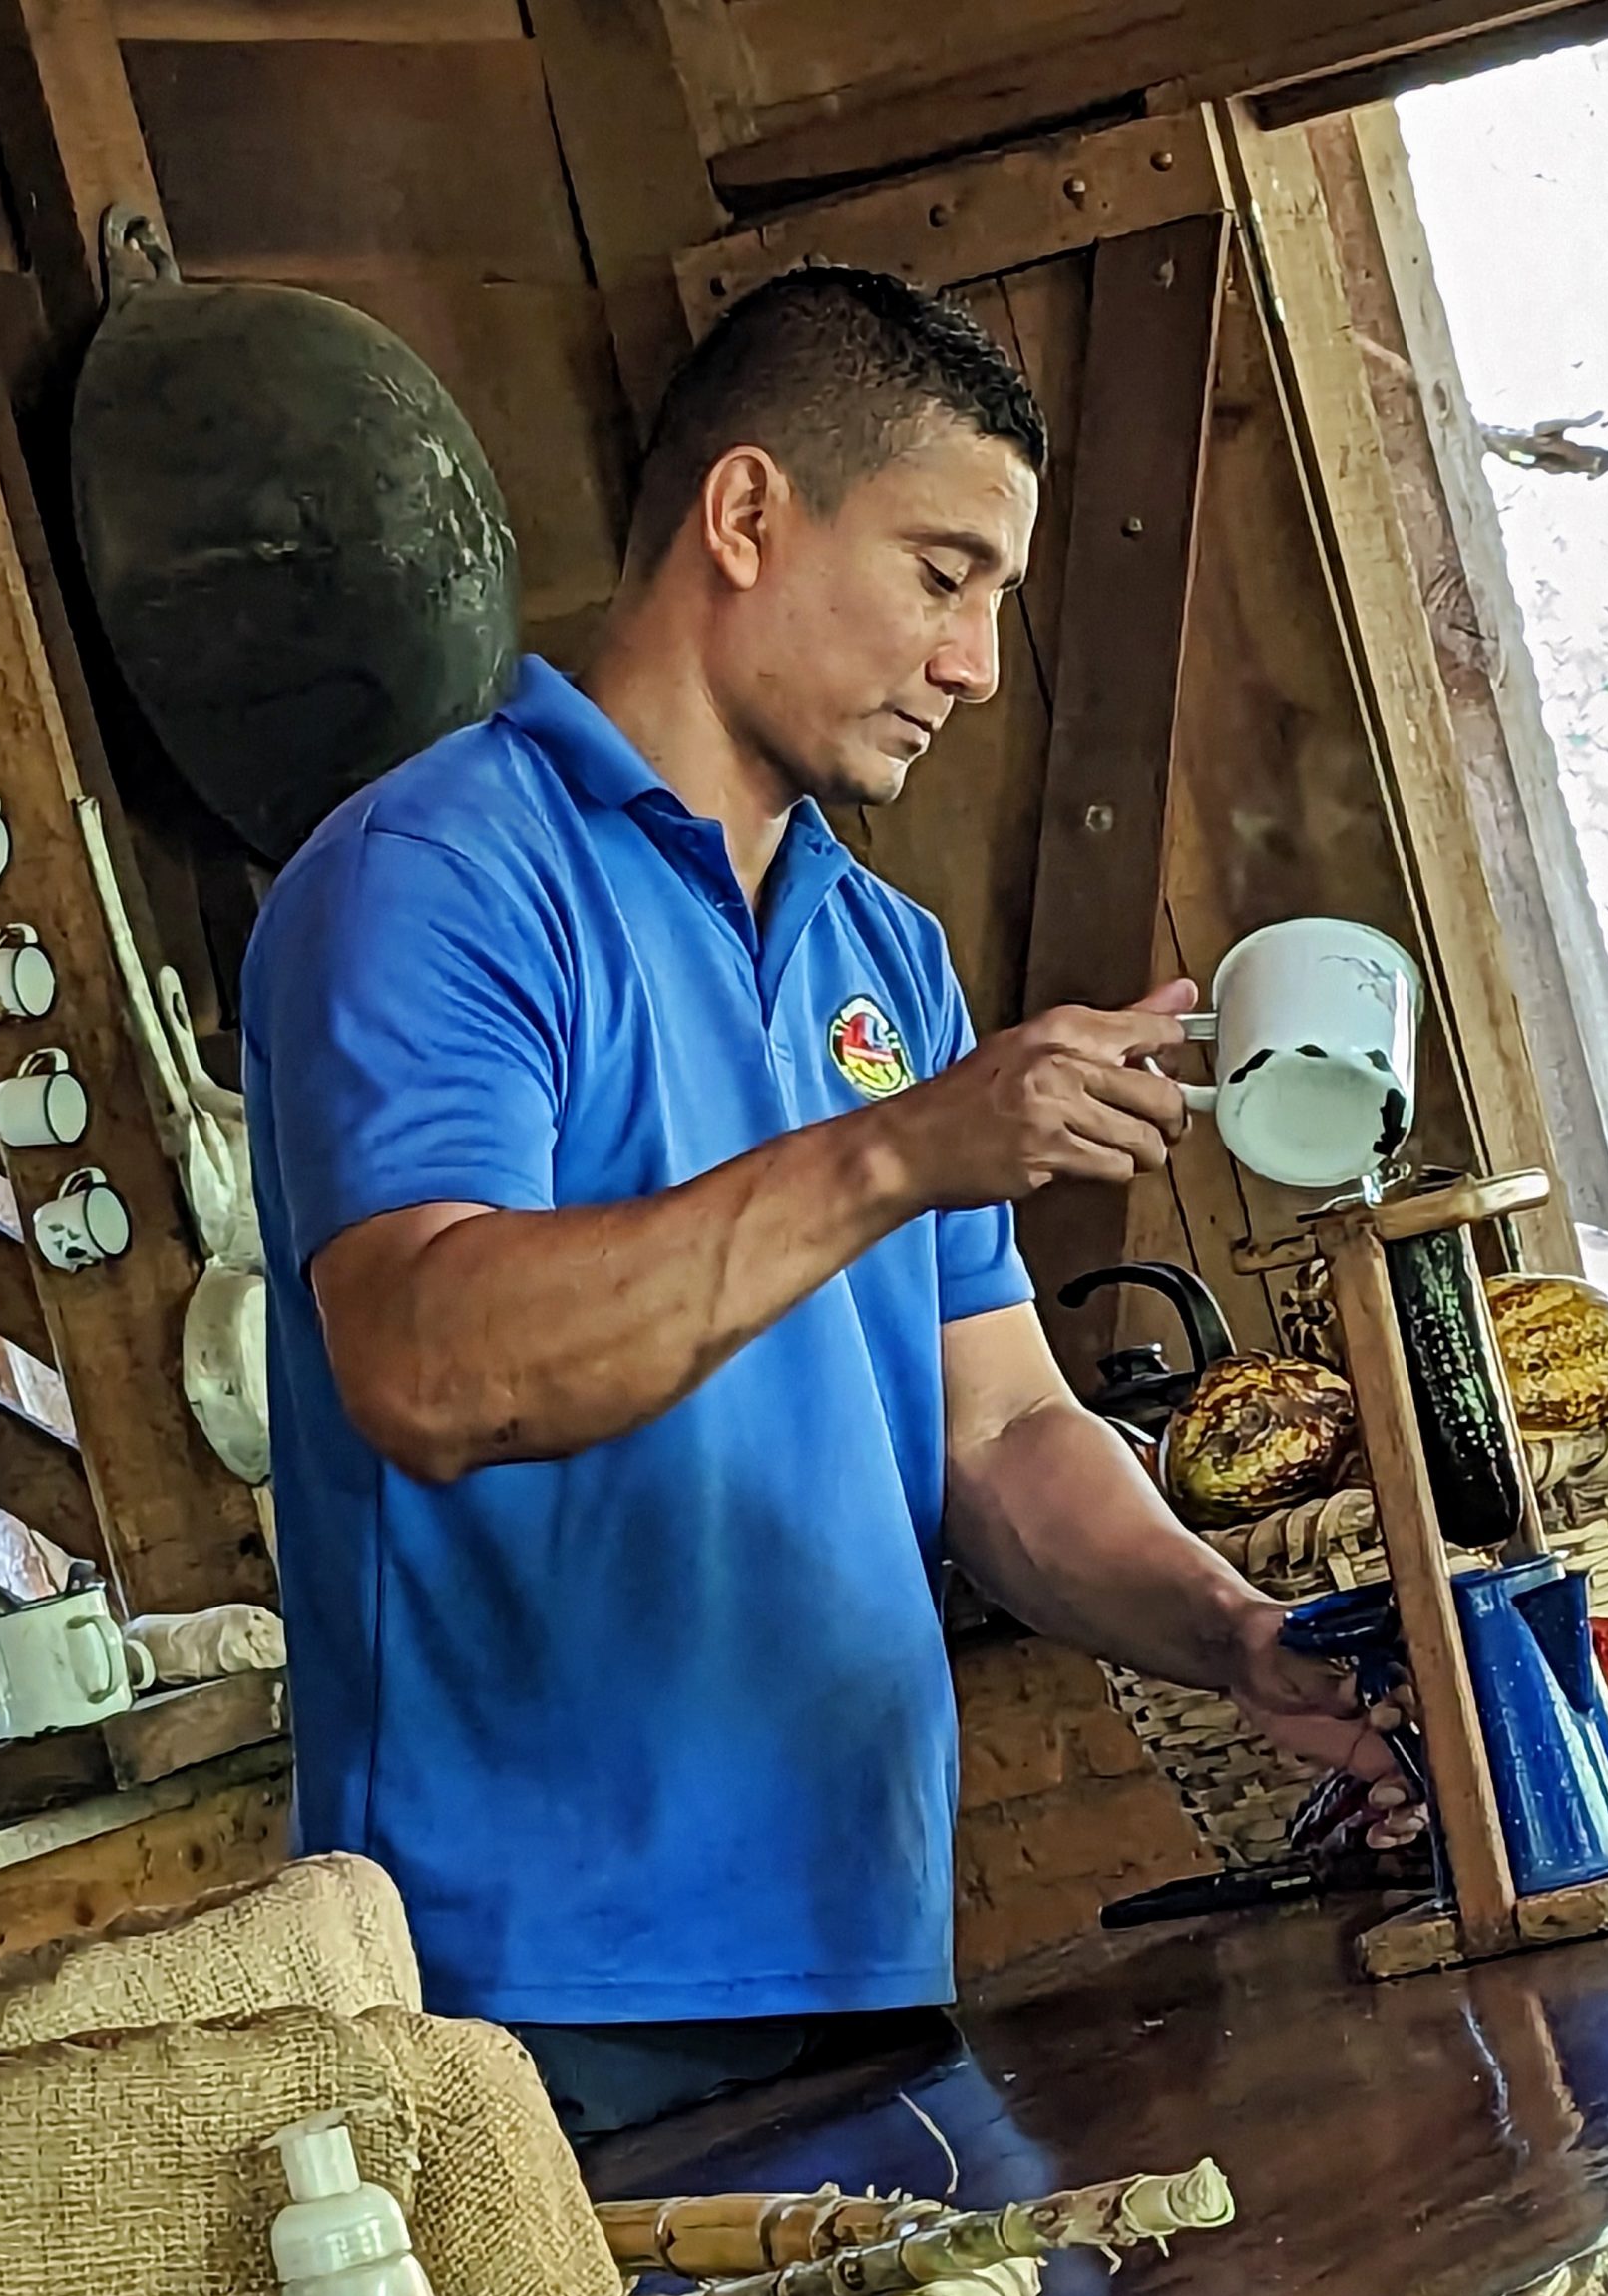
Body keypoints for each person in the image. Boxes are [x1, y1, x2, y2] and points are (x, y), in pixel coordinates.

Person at [242, 266, 1400, 2139]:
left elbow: (998, 1432)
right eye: (945, 576)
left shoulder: (887, 955)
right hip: (532, 2003)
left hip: (869, 1938)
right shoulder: (431, 876)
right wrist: (900, 1152)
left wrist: (1239, 1637)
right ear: (748, 515)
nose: (978, 664)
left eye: (996, 600)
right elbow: (434, 1367)